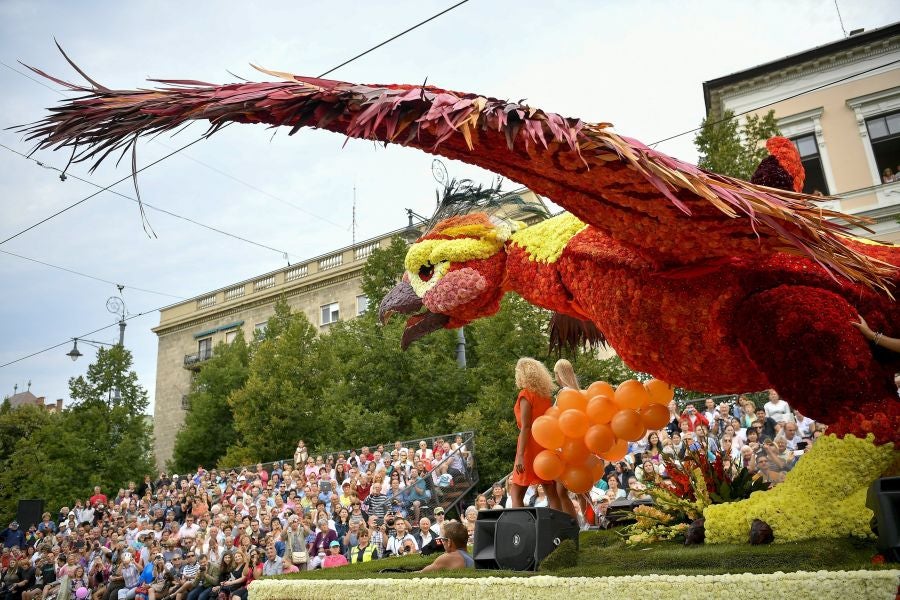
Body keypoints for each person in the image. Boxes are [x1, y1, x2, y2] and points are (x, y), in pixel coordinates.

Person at [509, 358, 560, 510]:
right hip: (543, 444)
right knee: (551, 491)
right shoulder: (544, 396)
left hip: (529, 446)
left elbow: (526, 427)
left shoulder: (526, 394)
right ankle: (561, 524)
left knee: (516, 493)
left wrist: (520, 455)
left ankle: (518, 525)